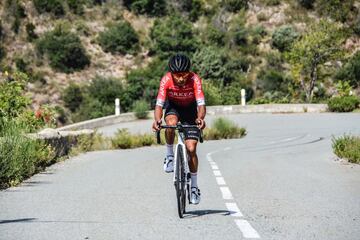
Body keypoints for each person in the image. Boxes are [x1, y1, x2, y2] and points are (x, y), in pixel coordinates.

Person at [152, 53, 206, 205]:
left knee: (191, 148)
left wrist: (200, 118)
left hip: (190, 111)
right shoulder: (166, 80)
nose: (181, 78)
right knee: (170, 123)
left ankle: (194, 187)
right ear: (172, 74)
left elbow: (201, 105)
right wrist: (157, 120)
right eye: (177, 75)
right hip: (173, 108)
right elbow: (159, 105)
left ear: (189, 72)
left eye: (184, 75)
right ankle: (169, 155)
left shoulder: (195, 79)